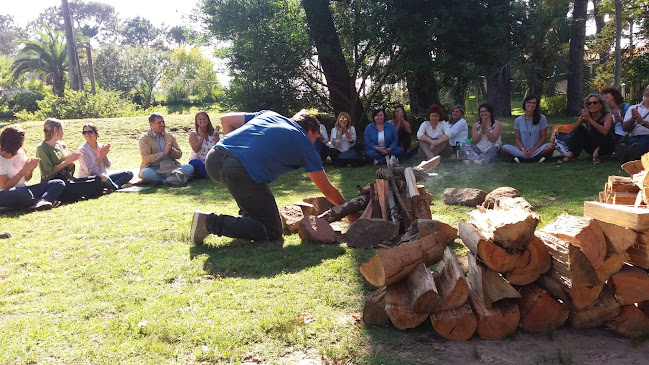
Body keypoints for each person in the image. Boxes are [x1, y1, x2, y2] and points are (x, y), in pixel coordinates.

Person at [190, 109, 357, 244]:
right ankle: (208, 223)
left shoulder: (270, 115)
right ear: (310, 129)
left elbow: (227, 119)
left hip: (214, 158)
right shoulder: (305, 144)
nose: (314, 143)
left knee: (257, 201)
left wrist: (233, 149)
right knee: (272, 230)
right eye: (314, 138)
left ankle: (248, 219)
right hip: (238, 168)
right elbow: (327, 189)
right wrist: (349, 210)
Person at [36, 118, 104, 202]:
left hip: (67, 180)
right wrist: (66, 162)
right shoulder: (42, 148)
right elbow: (47, 173)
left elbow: (69, 170)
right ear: (55, 129)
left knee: (97, 179)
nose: (63, 133)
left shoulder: (61, 146)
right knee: (87, 185)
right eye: (62, 130)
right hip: (55, 183)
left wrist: (71, 161)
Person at [0, 126, 65, 211]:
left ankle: (41, 202)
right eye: (20, 143)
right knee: (22, 193)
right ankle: (38, 202)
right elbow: (5, 186)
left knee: (58, 183)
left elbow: (27, 178)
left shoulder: (20, 152)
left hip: (23, 190)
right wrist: (24, 170)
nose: (21, 145)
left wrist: (30, 169)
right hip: (6, 193)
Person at [139, 112, 194, 184]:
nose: (162, 125)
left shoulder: (169, 136)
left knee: (190, 168)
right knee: (145, 173)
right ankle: (173, 179)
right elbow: (146, 159)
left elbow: (179, 155)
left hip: (171, 167)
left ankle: (166, 180)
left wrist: (171, 150)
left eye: (163, 122)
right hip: (155, 168)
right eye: (159, 123)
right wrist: (163, 153)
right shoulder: (144, 139)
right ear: (151, 124)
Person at [560, 94, 613, 164]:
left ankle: (595, 154)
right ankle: (570, 155)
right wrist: (581, 120)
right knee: (580, 129)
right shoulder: (587, 115)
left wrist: (589, 120)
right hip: (592, 145)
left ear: (601, 105)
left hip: (606, 145)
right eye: (589, 103)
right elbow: (572, 130)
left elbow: (605, 131)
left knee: (599, 130)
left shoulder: (607, 116)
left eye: (595, 103)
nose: (592, 105)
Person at [78, 123, 134, 190]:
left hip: (104, 177)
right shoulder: (82, 150)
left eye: (90, 132)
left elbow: (108, 165)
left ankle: (112, 186)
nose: (87, 134)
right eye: (84, 132)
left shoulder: (100, 146)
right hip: (90, 180)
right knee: (103, 177)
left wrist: (104, 156)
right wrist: (101, 157)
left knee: (128, 174)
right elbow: (90, 171)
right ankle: (117, 188)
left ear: (96, 133)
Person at [501, 95, 555, 162]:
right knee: (504, 147)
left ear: (536, 105)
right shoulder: (518, 120)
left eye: (533, 103)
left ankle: (523, 158)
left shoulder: (542, 118)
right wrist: (523, 149)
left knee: (551, 146)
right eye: (529, 102)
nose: (531, 105)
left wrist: (533, 149)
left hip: (537, 149)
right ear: (525, 104)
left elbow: (543, 137)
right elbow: (517, 139)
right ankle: (530, 158)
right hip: (522, 150)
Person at [619, 85, 649, 162]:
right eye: (646, 89)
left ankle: (630, 155)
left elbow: (643, 123)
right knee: (633, 143)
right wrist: (633, 118)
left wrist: (643, 123)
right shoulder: (633, 108)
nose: (647, 92)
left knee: (643, 143)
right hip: (634, 137)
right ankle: (629, 152)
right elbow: (625, 128)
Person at [188, 111, 220, 178]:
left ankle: (213, 173)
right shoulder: (193, 134)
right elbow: (196, 150)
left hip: (210, 161)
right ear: (197, 122)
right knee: (194, 162)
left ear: (208, 120)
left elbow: (218, 150)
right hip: (200, 162)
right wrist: (201, 137)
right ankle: (209, 175)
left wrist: (216, 135)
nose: (202, 121)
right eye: (200, 119)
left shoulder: (213, 132)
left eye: (204, 119)